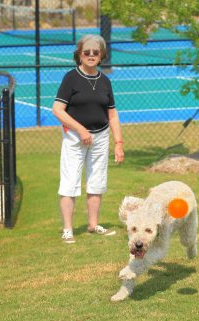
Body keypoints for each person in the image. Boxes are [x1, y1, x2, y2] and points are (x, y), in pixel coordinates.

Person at [53, 34, 124, 243]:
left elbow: (112, 114)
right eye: (87, 52)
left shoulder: (105, 81)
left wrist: (119, 143)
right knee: (69, 182)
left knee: (97, 182)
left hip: (101, 136)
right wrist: (81, 130)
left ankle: (93, 225)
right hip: (75, 138)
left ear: (101, 55)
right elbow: (58, 110)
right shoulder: (70, 78)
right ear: (80, 55)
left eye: (96, 52)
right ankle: (68, 229)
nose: (91, 55)